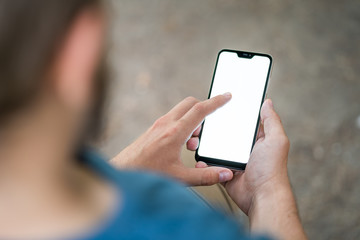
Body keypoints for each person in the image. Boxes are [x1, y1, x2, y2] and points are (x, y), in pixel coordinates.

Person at [0, 0, 307, 239]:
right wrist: (267, 192)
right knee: (207, 189)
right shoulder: (183, 227)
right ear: (77, 52)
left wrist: (121, 170)